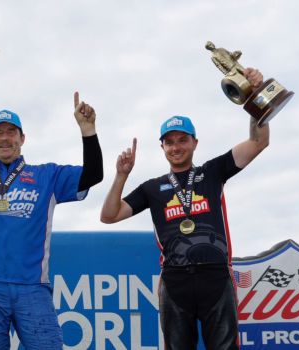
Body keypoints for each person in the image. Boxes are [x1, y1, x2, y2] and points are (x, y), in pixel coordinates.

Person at [0, 65, 104, 349]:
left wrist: (88, 131)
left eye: (11, 132)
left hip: (31, 288)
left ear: (22, 138)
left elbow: (93, 174)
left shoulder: (47, 176)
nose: (4, 138)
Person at [99, 68, 268, 349]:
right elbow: (109, 216)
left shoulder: (213, 171)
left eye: (182, 140)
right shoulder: (152, 188)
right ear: (162, 146)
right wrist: (121, 175)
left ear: (195, 142)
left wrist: (254, 98)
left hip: (216, 275)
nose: (176, 147)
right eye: (169, 142)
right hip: (175, 281)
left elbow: (259, 141)